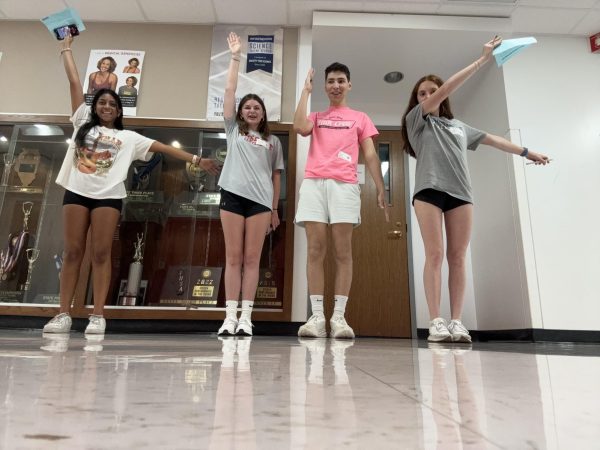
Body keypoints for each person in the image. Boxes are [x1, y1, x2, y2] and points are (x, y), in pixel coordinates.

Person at [43, 34, 220, 335]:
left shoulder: (130, 138)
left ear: (119, 110)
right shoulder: (82, 121)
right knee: (73, 251)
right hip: (76, 193)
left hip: (108, 197)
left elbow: (164, 149)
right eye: (103, 102)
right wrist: (66, 49)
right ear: (95, 106)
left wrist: (196, 160)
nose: (107, 106)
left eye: (112, 104)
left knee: (101, 253)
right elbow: (75, 83)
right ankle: (63, 313)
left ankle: (98, 315)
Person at [401, 36, 550, 343]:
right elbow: (447, 89)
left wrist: (527, 152)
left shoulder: (459, 127)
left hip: (461, 193)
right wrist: (482, 60)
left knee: (458, 257)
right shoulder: (416, 120)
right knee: (435, 253)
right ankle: (436, 322)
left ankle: (457, 321)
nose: (428, 95)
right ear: (418, 101)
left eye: (432, 91)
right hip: (428, 191)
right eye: (422, 93)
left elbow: (494, 139)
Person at [294, 63, 388, 339]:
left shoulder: (360, 117)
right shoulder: (316, 115)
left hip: (345, 186)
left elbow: (370, 155)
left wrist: (381, 188)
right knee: (315, 250)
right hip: (314, 183)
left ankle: (338, 317)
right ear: (325, 86)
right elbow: (299, 127)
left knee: (342, 252)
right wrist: (305, 91)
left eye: (341, 80)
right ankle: (316, 317)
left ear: (349, 85)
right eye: (331, 81)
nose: (336, 85)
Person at [216, 32, 284, 337]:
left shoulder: (273, 141)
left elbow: (276, 176)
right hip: (232, 196)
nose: (252, 110)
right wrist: (235, 57)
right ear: (241, 113)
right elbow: (229, 91)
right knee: (233, 257)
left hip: (260, 204)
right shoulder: (233, 130)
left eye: (257, 107)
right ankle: (230, 317)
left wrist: (274, 209)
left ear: (263, 113)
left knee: (253, 259)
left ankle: (246, 317)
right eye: (247, 107)